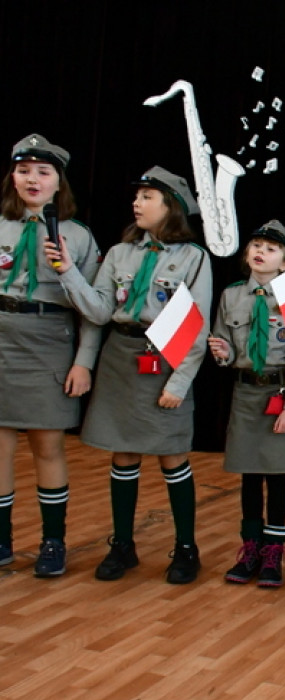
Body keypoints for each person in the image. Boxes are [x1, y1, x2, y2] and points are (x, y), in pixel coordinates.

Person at [58, 167, 212, 584]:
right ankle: (122, 545)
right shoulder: (120, 252)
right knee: (122, 454)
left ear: (170, 206)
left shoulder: (193, 258)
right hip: (121, 357)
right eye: (137, 196)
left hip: (165, 358)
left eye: (147, 197)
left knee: (172, 454)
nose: (136, 203)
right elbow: (99, 312)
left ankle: (186, 548)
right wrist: (69, 273)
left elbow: (195, 326)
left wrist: (178, 383)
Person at [0, 134, 102, 577]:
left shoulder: (77, 236)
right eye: (24, 170)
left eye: (43, 172)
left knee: (47, 446)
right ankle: (2, 539)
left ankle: (52, 541)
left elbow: (94, 311)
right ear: (13, 177)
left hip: (48, 342)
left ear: (59, 182)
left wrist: (84, 361)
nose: (32, 179)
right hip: (2, 337)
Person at [208, 220, 285, 588]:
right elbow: (226, 348)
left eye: (271, 248)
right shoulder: (231, 296)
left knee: (276, 476)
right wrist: (223, 353)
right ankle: (250, 548)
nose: (260, 252)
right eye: (256, 245)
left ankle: (273, 552)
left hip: (278, 393)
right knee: (249, 476)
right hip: (246, 394)